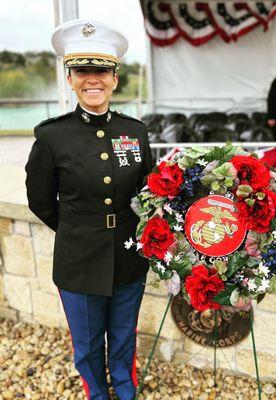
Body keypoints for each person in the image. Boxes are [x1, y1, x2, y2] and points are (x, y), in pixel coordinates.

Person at [25, 19, 154, 400]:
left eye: (101, 70)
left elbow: (149, 192)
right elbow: (42, 202)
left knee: (123, 339)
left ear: (115, 78)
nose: (92, 79)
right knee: (86, 346)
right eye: (83, 70)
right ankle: (97, 395)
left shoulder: (137, 131)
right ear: (70, 77)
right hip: (78, 260)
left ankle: (126, 392)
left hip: (130, 254)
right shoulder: (51, 136)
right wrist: (79, 228)